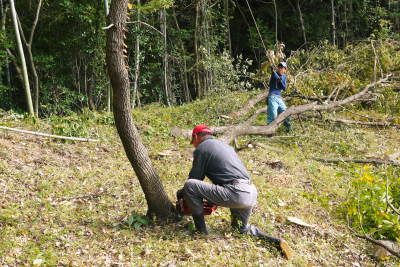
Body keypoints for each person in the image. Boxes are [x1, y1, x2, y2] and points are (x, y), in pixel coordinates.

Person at [177, 124, 293, 258]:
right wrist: (210, 198)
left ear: (196, 137)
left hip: (235, 192)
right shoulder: (226, 147)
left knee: (190, 185)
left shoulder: (202, 148)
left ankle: (201, 231)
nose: (194, 145)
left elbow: (195, 179)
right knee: (240, 230)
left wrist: (181, 194)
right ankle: (275, 242)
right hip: (250, 192)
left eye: (193, 142)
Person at [267, 62, 291, 131]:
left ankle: (288, 129)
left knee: (286, 112)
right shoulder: (274, 74)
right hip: (272, 97)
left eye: (282, 68)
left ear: (285, 70)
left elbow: (284, 87)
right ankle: (269, 131)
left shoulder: (284, 77)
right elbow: (274, 79)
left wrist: (279, 79)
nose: (280, 69)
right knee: (273, 115)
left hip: (279, 98)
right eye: (279, 67)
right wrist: (276, 76)